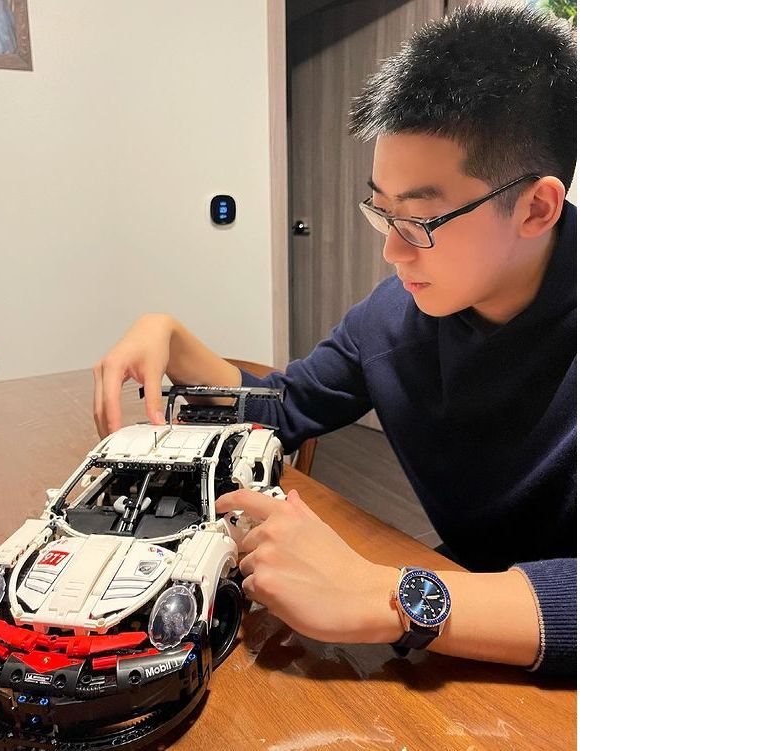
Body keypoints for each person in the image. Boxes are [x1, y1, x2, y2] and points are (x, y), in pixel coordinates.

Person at [92, 5, 576, 677]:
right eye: (382, 210)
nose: (391, 251)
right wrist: (175, 341)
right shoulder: (395, 318)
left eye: (420, 220)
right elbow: (286, 405)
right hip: (465, 620)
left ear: (536, 207)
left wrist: (387, 595)